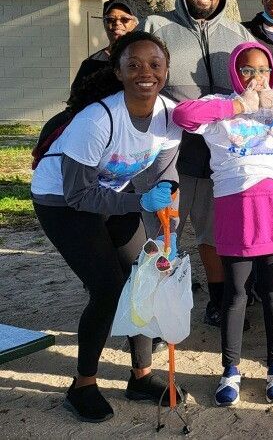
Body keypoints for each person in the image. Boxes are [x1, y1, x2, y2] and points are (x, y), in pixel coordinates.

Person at [31, 30, 184, 423]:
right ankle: (82, 385)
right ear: (117, 71)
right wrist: (139, 201)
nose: (144, 73)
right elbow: (79, 195)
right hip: (61, 200)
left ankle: (141, 376)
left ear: (167, 69)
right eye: (132, 65)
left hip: (114, 194)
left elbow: (164, 169)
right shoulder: (97, 119)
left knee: (143, 278)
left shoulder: (169, 114)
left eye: (154, 64)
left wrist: (168, 192)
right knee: (108, 289)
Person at [172, 42, 273, 406]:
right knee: (236, 294)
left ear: (272, 74)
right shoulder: (222, 109)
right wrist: (237, 105)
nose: (256, 78)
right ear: (235, 73)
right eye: (248, 70)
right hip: (234, 209)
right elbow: (182, 115)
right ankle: (230, 371)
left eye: (263, 70)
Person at [143, 0, 254, 327]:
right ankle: (156, 309)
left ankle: (218, 302)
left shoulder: (237, 33)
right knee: (161, 232)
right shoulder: (158, 27)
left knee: (213, 236)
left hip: (219, 157)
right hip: (169, 153)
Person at [70, 0, 138, 96]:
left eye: (125, 19)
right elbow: (75, 101)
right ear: (104, 23)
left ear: (135, 23)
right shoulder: (91, 64)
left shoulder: (147, 60)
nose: (117, 23)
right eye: (110, 19)